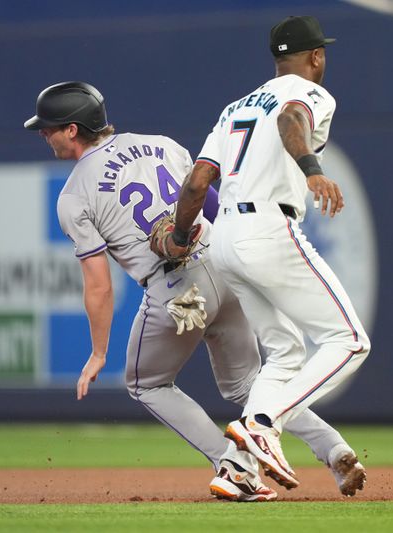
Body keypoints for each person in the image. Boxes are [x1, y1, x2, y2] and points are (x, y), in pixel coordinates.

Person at [24, 80, 366, 500]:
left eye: (49, 127)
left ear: (73, 129)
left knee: (144, 383)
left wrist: (98, 352)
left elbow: (99, 286)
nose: (43, 133)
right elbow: (209, 200)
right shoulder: (162, 144)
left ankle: (233, 464)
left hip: (175, 288)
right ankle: (333, 447)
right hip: (222, 266)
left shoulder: (73, 195)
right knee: (248, 385)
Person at [150, 16, 371, 490]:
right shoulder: (310, 92)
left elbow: (197, 183)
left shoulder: (234, 108)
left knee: (285, 353)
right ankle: (264, 426)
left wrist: (181, 237)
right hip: (268, 227)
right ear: (315, 56)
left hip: (225, 236)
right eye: (322, 53)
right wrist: (311, 169)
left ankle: (238, 470)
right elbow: (291, 118)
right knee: (349, 340)